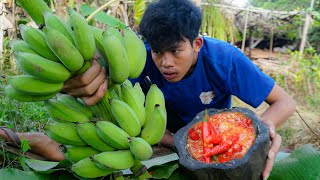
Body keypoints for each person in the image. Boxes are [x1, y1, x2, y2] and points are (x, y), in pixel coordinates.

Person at [0, 0, 295, 179]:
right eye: (158, 52)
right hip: (154, 139)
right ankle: (39, 143)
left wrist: (260, 132)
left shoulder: (224, 59)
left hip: (212, 144)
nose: (165, 63)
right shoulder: (137, 59)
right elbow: (108, 101)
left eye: (175, 52)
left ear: (196, 43)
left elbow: (284, 103)